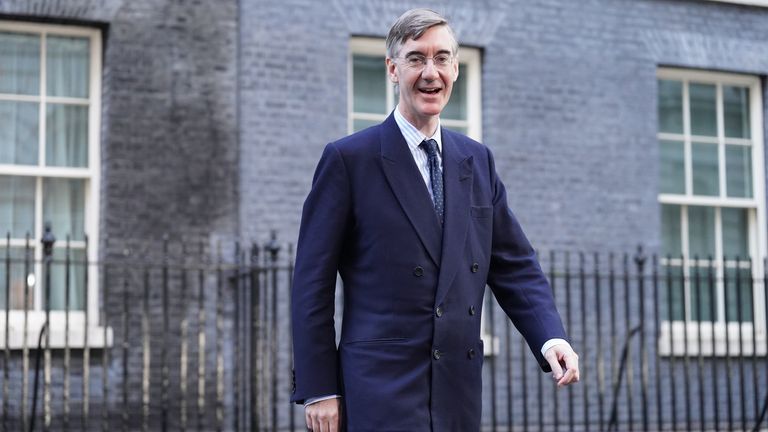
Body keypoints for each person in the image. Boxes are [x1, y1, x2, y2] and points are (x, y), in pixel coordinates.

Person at [291, 8, 580, 432]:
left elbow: (515, 264)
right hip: (378, 389)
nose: (431, 72)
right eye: (416, 59)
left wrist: (550, 337)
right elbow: (311, 283)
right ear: (393, 69)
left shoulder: (476, 160)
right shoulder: (349, 160)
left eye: (441, 58)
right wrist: (320, 388)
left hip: (456, 390)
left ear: (455, 69)